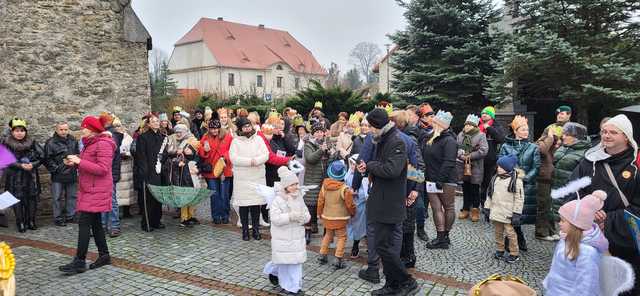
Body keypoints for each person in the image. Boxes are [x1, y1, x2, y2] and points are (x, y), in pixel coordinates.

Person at [569, 114, 640, 295]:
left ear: (625, 136)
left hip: (625, 244)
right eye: (604, 132)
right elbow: (573, 191)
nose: (606, 136)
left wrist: (607, 220)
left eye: (613, 132)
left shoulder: (637, 165)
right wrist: (587, 211)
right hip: (591, 238)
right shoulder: (589, 161)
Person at [357, 108, 419, 296]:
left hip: (390, 203)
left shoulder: (396, 141)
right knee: (383, 246)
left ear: (378, 126)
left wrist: (370, 165)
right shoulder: (383, 138)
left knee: (385, 246)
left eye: (370, 126)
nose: (368, 130)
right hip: (382, 200)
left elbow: (392, 170)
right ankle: (392, 284)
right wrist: (365, 169)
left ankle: (406, 281)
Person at [58, 116, 115, 275]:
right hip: (89, 188)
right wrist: (76, 162)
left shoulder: (103, 144)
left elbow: (103, 169)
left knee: (84, 223)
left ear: (92, 129)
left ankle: (79, 261)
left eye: (84, 127)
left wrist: (79, 161)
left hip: (97, 189)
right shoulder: (90, 143)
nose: (82, 129)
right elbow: (88, 163)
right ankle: (104, 256)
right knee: (95, 223)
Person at [543, 191, 609, 295]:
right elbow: (556, 266)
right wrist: (549, 283)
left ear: (575, 225)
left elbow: (587, 285)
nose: (559, 223)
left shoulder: (587, 252)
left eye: (562, 221)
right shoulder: (565, 239)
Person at [264, 166, 310, 296]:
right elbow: (275, 218)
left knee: (295, 263)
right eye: (292, 184)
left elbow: (306, 214)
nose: (295, 186)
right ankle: (288, 286)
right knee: (285, 262)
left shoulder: (299, 197)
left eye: (296, 183)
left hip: (297, 238)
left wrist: (303, 217)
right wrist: (290, 216)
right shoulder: (278, 200)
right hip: (283, 238)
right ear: (285, 186)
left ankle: (294, 286)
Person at [499, 115, 540, 252]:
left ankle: (514, 239)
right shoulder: (505, 146)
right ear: (515, 130)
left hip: (526, 185)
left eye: (527, 130)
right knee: (511, 214)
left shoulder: (533, 148)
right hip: (509, 184)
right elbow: (501, 162)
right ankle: (517, 239)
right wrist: (512, 177)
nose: (526, 132)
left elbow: (536, 167)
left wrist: (525, 178)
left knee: (519, 214)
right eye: (523, 129)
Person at [229, 116, 269, 241]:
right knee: (244, 205)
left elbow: (266, 154)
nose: (248, 128)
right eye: (245, 126)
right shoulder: (236, 141)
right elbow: (233, 158)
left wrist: (256, 161)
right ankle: (245, 230)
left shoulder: (258, 139)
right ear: (241, 128)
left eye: (249, 126)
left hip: (257, 176)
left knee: (256, 205)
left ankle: (256, 229)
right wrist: (249, 161)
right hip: (243, 178)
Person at [422, 110, 458, 249]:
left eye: (435, 122)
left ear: (442, 125)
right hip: (431, 179)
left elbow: (449, 162)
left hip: (446, 180)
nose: (432, 124)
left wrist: (440, 180)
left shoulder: (450, 141)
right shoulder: (432, 137)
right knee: (436, 209)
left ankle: (445, 236)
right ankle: (440, 237)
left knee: (448, 207)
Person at [548, 123, 590, 240]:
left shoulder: (585, 153)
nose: (563, 137)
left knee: (573, 232)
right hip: (557, 193)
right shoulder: (564, 147)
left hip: (571, 197)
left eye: (567, 134)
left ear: (577, 137)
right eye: (564, 134)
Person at [389, 110, 421, 268]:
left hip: (409, 189)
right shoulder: (399, 137)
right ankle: (402, 255)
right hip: (403, 188)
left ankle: (408, 257)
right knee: (402, 224)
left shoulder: (410, 139)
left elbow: (419, 166)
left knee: (407, 224)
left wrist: (415, 189)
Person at [1, 118, 42, 233]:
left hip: (30, 175)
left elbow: (42, 156)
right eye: (17, 131)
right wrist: (20, 166)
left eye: (22, 131)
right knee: (17, 199)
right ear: (12, 131)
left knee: (31, 199)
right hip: (14, 175)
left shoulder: (32, 141)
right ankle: (21, 222)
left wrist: (33, 165)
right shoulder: (6, 142)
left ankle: (31, 221)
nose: (20, 133)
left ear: (26, 131)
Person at [484, 155, 524, 263]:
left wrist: (517, 213)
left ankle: (514, 253)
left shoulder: (516, 181)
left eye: (501, 167)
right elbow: (490, 194)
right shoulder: (495, 178)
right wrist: (487, 208)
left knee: (510, 234)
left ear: (508, 168)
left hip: (508, 213)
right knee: (498, 232)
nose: (498, 168)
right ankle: (500, 249)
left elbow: (519, 198)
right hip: (496, 212)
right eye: (498, 166)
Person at [317, 160, 356, 269]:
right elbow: (350, 205)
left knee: (328, 235)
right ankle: (338, 259)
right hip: (341, 218)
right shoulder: (345, 189)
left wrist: (319, 214)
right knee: (342, 237)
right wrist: (353, 213)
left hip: (327, 216)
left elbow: (320, 202)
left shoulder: (324, 186)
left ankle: (322, 255)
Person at [164, 124, 202, 227]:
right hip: (182, 174)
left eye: (180, 132)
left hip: (191, 172)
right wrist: (177, 160)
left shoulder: (192, 141)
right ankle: (184, 218)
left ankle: (191, 216)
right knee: (185, 195)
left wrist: (195, 163)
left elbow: (198, 155)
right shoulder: (175, 142)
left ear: (185, 132)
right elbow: (169, 158)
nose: (178, 134)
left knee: (193, 194)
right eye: (176, 132)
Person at [199, 115, 233, 224]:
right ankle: (216, 216)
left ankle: (225, 215)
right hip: (211, 172)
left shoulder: (227, 137)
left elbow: (232, 150)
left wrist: (225, 156)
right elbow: (201, 153)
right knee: (214, 194)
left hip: (224, 169)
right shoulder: (205, 137)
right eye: (212, 129)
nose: (214, 131)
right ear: (209, 129)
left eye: (216, 128)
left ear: (219, 128)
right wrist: (205, 150)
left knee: (224, 195)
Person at [44, 122, 79, 227]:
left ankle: (71, 216)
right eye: (61, 130)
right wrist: (58, 167)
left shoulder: (73, 140)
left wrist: (75, 162)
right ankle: (58, 218)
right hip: (58, 174)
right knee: (57, 197)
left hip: (71, 172)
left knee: (72, 196)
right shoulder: (50, 143)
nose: (64, 132)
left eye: (65, 129)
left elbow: (78, 153)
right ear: (56, 130)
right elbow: (47, 159)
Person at [135, 114, 166, 232]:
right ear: (148, 124)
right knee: (148, 199)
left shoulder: (162, 137)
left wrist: (163, 158)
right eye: (153, 121)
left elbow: (165, 153)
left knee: (158, 198)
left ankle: (157, 221)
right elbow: (141, 156)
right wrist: (144, 172)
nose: (156, 123)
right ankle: (146, 223)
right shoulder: (143, 137)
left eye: (157, 121)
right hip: (148, 172)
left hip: (159, 171)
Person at [303, 123, 334, 237]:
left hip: (325, 178)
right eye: (316, 132)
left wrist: (331, 153)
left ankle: (320, 227)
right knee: (311, 204)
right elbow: (310, 159)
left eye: (321, 132)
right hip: (312, 178)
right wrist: (321, 150)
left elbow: (331, 160)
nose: (319, 134)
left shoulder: (327, 143)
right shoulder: (308, 144)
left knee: (323, 203)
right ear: (313, 133)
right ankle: (308, 229)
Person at [456, 114, 488, 222]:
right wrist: (460, 155)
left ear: (475, 126)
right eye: (466, 125)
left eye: (470, 125)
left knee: (475, 188)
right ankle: (465, 208)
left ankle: (475, 209)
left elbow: (484, 150)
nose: (467, 127)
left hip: (475, 166)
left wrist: (470, 156)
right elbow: (457, 147)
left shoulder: (481, 135)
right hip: (463, 165)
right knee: (465, 187)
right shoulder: (461, 135)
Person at [534, 122, 562, 241]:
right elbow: (542, 151)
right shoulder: (541, 142)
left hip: (551, 178)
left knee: (549, 206)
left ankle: (550, 230)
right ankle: (541, 232)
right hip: (542, 179)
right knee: (543, 205)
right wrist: (550, 137)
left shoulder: (553, 145)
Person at [99, 112, 124, 238]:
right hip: (105, 172)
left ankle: (114, 225)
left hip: (109, 173)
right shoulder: (106, 134)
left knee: (111, 200)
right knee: (104, 199)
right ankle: (103, 225)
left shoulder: (111, 136)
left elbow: (108, 157)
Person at [414, 103, 435, 241]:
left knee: (426, 201)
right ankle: (419, 229)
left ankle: (421, 226)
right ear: (421, 117)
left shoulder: (434, 129)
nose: (432, 117)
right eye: (429, 115)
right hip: (416, 170)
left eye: (432, 114)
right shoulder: (416, 130)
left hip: (431, 170)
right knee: (419, 203)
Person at [479, 106, 507, 207]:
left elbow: (501, 138)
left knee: (487, 182)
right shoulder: (477, 124)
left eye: (487, 113)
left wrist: (489, 128)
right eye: (483, 113)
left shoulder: (496, 125)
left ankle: (486, 204)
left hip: (490, 159)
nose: (484, 115)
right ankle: (475, 205)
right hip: (477, 158)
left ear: (491, 116)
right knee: (476, 182)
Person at [345, 154, 368, 259]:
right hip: (352, 205)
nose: (353, 166)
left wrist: (357, 194)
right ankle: (356, 244)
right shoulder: (348, 173)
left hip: (362, 205)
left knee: (363, 226)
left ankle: (360, 245)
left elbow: (366, 191)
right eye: (351, 164)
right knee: (355, 226)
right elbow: (345, 186)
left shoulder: (364, 176)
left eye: (355, 164)